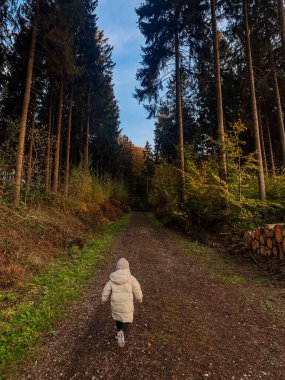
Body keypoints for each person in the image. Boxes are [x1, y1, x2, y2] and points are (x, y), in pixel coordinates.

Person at [101, 258, 143, 347]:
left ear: (117, 268)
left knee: (118, 318)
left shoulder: (112, 279)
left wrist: (103, 299)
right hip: (127, 306)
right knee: (126, 319)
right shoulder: (131, 278)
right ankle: (122, 331)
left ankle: (118, 333)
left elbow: (106, 290)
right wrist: (139, 298)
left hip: (116, 305)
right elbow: (137, 289)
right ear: (128, 268)